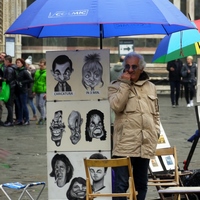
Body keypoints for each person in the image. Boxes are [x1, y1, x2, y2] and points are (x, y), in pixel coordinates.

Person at [108, 52, 160, 200]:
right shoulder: (115, 86)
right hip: (125, 145)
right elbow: (117, 106)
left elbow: (155, 114)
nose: (130, 70)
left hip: (145, 144)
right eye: (127, 66)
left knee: (141, 184)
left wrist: (155, 133)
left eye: (134, 66)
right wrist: (125, 85)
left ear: (141, 68)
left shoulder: (151, 87)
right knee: (121, 185)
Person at [15, 58, 33, 125]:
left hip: (23, 90)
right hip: (17, 90)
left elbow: (30, 80)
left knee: (24, 105)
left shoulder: (24, 71)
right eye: (17, 62)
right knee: (19, 106)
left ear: (22, 63)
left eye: (19, 62)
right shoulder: (17, 71)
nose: (17, 64)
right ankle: (20, 119)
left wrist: (22, 82)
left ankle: (27, 119)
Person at [1, 55, 17, 127]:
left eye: (4, 61)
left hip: (10, 88)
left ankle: (10, 121)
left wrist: (1, 79)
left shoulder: (9, 69)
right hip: (11, 87)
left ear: (7, 61)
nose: (4, 62)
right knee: (9, 105)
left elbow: (8, 79)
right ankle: (9, 120)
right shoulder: (11, 68)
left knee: (9, 105)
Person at [32, 58, 46, 125]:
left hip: (43, 91)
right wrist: (34, 90)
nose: (40, 66)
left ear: (45, 65)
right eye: (39, 65)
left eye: (42, 65)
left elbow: (49, 83)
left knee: (41, 105)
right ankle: (44, 116)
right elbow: (35, 82)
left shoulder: (47, 73)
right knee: (37, 105)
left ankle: (43, 118)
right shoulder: (37, 72)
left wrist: (47, 92)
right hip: (37, 90)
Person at [0, 52, 6, 125]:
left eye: (2, 56)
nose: (1, 57)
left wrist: (2, 78)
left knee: (0, 104)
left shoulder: (5, 66)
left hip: (2, 86)